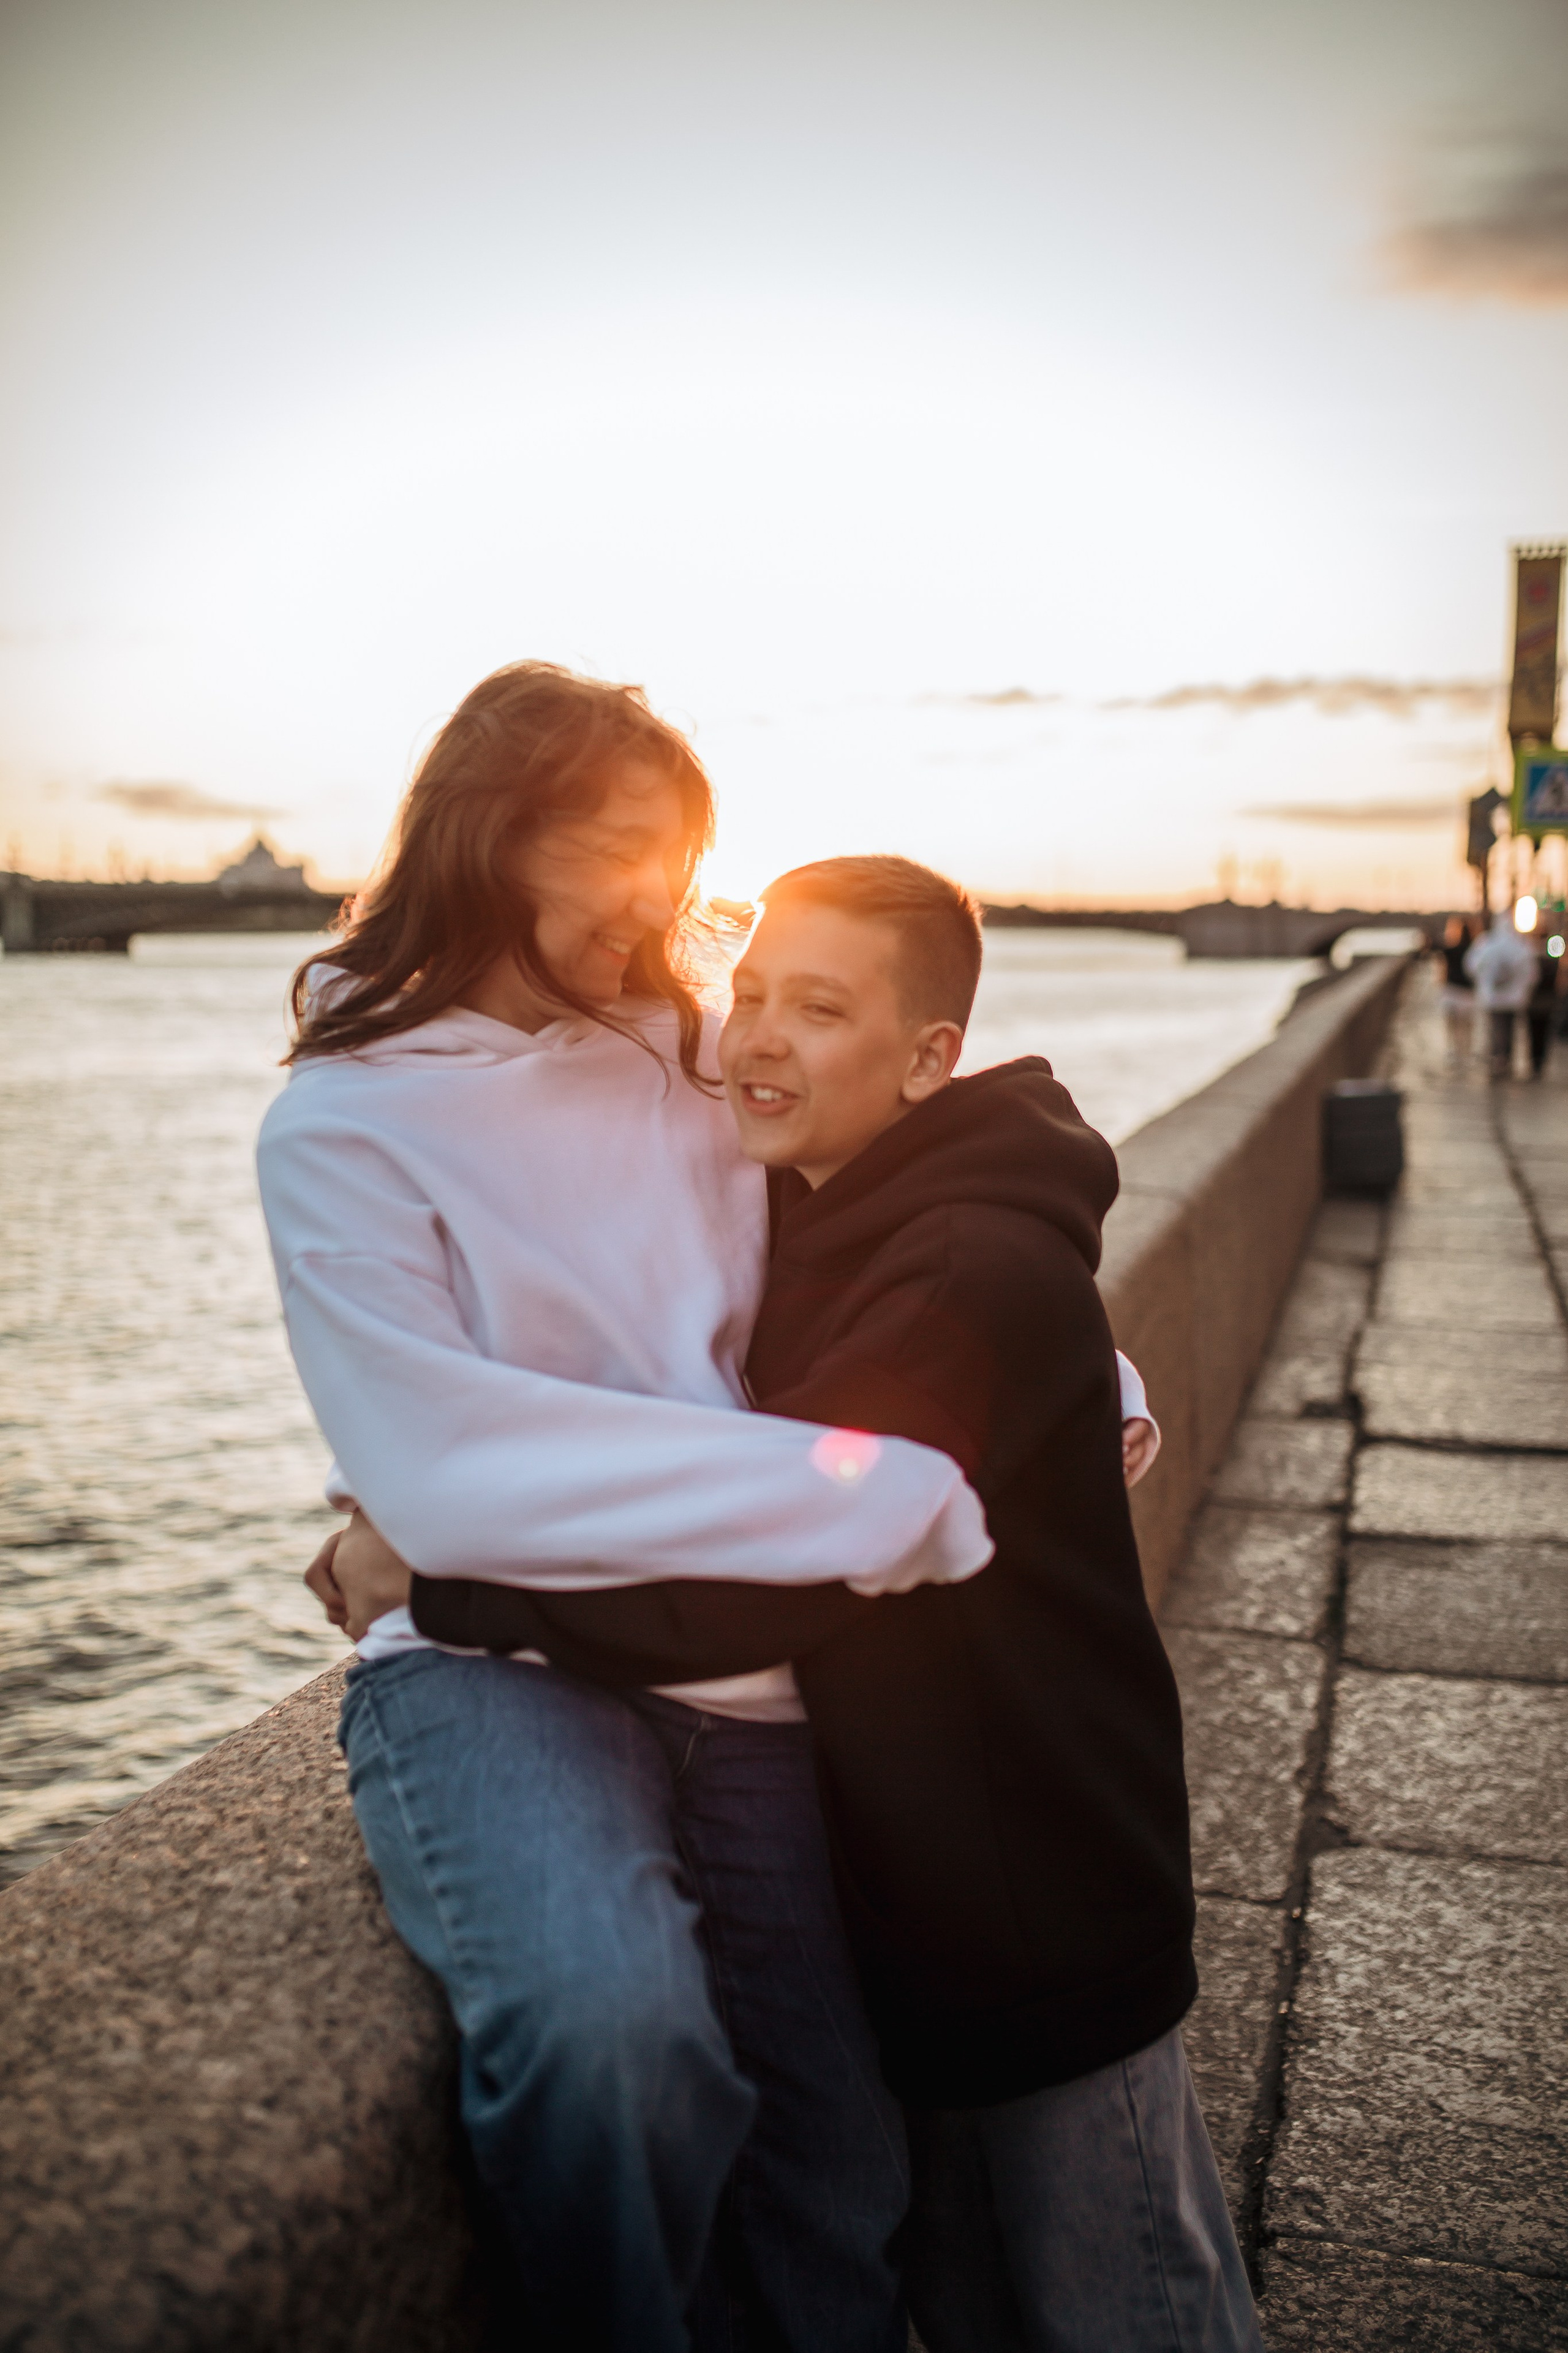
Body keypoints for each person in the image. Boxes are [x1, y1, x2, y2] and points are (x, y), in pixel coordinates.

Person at [261, 664, 1157, 2353]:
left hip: (749, 1659)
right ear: (496, 836)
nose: (666, 905)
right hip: (495, 1673)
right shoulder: (341, 1125)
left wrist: (1083, 1371)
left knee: (841, 2163)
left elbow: (883, 1193)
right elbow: (452, 1468)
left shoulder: (685, 1045)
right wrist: (881, 1493)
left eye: (684, 862)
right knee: (617, 2045)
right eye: (623, 853)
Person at [402, 856, 1261, 2353]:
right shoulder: (831, 1204)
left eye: (816, 1007)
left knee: (1132, 2305)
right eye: (746, 994)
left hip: (1038, 1917)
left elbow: (771, 1562)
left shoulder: (953, 1260)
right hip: (921, 1896)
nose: (755, 1037)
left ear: (931, 1057)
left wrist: (433, 1583)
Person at [1465, 907, 1536, 1081]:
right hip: (1514, 999)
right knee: (1509, 1029)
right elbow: (1532, 973)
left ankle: (1498, 1058)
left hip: (1493, 999)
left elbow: (1471, 966)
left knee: (1495, 1028)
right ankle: (1505, 1058)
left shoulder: (1486, 942)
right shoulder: (1520, 944)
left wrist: (1484, 982)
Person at [1434, 913, 1476, 1067]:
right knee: (1467, 1026)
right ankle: (1466, 1053)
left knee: (1452, 1025)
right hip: (1468, 993)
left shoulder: (1451, 950)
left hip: (1452, 991)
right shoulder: (1474, 949)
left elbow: (1434, 948)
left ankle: (1454, 1052)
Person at [1526, 929, 1561, 1079]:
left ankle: (1535, 1060)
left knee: (1534, 1032)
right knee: (1544, 1032)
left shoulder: (1531, 959)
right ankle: (1539, 1060)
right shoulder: (1553, 961)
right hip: (1547, 1003)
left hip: (1534, 1002)